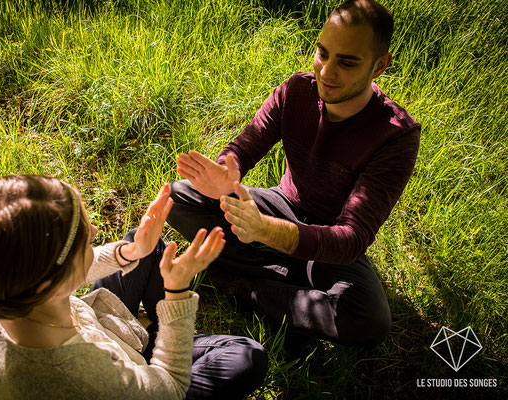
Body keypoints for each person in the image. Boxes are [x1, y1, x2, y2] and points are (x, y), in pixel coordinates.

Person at [167, 0, 421, 348]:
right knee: (177, 197)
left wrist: (264, 231)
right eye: (322, 53)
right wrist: (227, 172)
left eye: (346, 62)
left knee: (370, 321)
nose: (327, 72)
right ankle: (289, 286)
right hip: (282, 203)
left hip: (328, 238)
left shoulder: (396, 135)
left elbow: (350, 239)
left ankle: (237, 282)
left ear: (379, 66)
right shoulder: (296, 91)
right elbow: (245, 146)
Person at [0, 175, 267, 399]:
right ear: (46, 283)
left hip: (101, 327)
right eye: (86, 239)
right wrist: (177, 293)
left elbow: (64, 274)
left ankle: (153, 328)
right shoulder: (83, 378)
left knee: (144, 248)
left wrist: (129, 252)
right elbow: (168, 388)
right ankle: (160, 337)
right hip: (138, 377)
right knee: (245, 356)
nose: (97, 228)